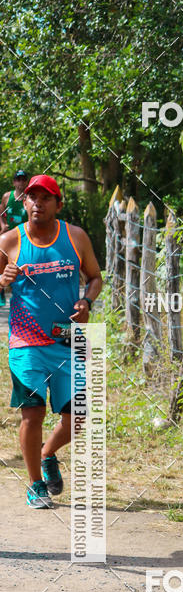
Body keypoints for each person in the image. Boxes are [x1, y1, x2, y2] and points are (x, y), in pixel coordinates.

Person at [0, 174, 102, 508]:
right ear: (24, 203)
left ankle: (47, 453)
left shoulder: (75, 237)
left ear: (58, 204)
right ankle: (35, 484)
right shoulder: (9, 241)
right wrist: (3, 279)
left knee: (78, 417)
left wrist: (86, 302)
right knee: (33, 412)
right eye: (31, 197)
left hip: (68, 340)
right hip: (25, 342)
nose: (37, 204)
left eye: (45, 198)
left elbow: (95, 278)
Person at [0, 170, 29, 306]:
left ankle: (22, 295)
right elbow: (1, 212)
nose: (21, 182)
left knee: (21, 265)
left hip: (23, 237)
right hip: (8, 238)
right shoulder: (7, 197)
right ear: (14, 182)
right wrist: (3, 225)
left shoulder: (29, 197)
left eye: (23, 179)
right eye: (18, 179)